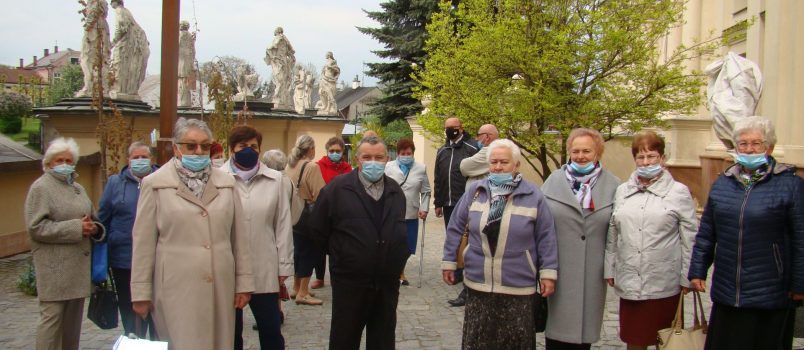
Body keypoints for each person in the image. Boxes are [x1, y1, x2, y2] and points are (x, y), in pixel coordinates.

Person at [130, 117, 254, 349]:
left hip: (220, 284)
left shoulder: (227, 183)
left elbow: (239, 238)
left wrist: (244, 283)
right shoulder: (155, 184)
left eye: (205, 146)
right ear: (176, 148)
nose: (198, 151)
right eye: (191, 145)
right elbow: (143, 242)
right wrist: (140, 292)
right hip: (175, 286)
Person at [689, 116, 804, 350]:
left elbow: (801, 238)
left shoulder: (790, 184)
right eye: (743, 143)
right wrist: (698, 269)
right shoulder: (723, 183)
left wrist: (800, 283)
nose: (749, 149)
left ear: (769, 147)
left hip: (771, 292)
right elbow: (707, 232)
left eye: (756, 143)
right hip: (728, 289)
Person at [441, 138, 558, 349]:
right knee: (478, 341)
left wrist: (548, 272)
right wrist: (449, 261)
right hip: (479, 283)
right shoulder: (475, 191)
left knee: (515, 342)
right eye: (493, 162)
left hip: (518, 285)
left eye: (503, 162)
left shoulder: (533, 196)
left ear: (516, 165)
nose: (497, 167)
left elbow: (546, 236)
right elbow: (455, 228)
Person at [311, 136, 410, 349]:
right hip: (350, 281)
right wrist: (344, 255)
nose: (373, 161)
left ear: (386, 159)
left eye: (379, 157)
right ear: (357, 159)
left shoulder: (395, 191)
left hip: (385, 283)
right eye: (367, 157)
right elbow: (317, 231)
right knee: (344, 338)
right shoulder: (337, 189)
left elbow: (401, 231)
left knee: (383, 339)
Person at [604, 130, 697, 350]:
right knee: (634, 340)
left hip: (664, 282)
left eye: (652, 156)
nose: (646, 162)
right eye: (641, 157)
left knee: (665, 339)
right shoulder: (622, 191)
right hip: (630, 280)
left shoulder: (678, 192)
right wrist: (610, 268)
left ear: (662, 158)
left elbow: (690, 237)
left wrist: (688, 276)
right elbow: (613, 232)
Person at [541, 128, 620, 350]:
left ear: (598, 153)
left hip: (592, 273)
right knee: (556, 335)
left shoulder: (614, 185)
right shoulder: (553, 181)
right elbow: (540, 225)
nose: (580, 156)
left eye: (587, 151)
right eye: (575, 151)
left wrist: (612, 267)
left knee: (583, 337)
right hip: (559, 270)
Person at [25, 137, 106, 350]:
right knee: (51, 323)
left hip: (77, 270)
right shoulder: (41, 188)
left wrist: (95, 229)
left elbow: (93, 218)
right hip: (54, 269)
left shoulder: (78, 188)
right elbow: (36, 228)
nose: (65, 165)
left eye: (69, 161)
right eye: (59, 160)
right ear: (49, 163)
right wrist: (76, 228)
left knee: (72, 326)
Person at [223, 126, 292, 350]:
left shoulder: (275, 180)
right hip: (228, 267)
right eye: (243, 146)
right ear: (232, 149)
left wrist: (283, 267)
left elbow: (282, 224)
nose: (249, 150)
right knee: (230, 334)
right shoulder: (219, 179)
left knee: (271, 330)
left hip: (264, 266)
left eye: (253, 146)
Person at [97, 141, 158, 338]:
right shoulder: (115, 184)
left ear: (151, 159)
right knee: (132, 315)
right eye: (136, 157)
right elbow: (103, 219)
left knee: (159, 316)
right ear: (128, 160)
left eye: (144, 157)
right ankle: (134, 340)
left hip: (158, 259)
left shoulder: (161, 181)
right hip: (124, 260)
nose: (141, 161)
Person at [434, 116, 479, 306]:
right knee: (452, 236)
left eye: (453, 127)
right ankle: (455, 270)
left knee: (467, 239)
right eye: (447, 128)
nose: (450, 130)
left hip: (466, 201)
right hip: (448, 202)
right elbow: (438, 176)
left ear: (461, 128)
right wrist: (438, 201)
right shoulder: (442, 150)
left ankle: (467, 271)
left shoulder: (472, 148)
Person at [285, 135, 326, 305]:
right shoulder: (311, 167)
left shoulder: (290, 165)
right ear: (310, 149)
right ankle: (303, 292)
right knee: (310, 252)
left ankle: (295, 288)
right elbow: (320, 193)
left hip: (293, 215)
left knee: (298, 252)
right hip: (308, 215)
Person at [384, 138, 431, 285]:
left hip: (411, 213)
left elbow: (426, 191)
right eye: (403, 153)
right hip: (391, 213)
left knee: (408, 246)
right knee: (392, 244)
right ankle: (398, 273)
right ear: (397, 154)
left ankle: (400, 269)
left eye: (409, 153)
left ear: (413, 153)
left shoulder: (421, 168)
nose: (406, 156)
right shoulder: (388, 167)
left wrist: (424, 208)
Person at [312, 136, 353, 289]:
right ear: (327, 151)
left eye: (338, 151)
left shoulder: (347, 168)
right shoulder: (318, 166)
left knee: (339, 245)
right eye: (332, 151)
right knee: (320, 246)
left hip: (341, 211)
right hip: (322, 209)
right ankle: (319, 277)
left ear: (343, 152)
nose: (335, 153)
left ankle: (339, 275)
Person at [109, 0, 149, 100]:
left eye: (111, 2)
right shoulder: (127, 11)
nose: (110, 5)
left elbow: (121, 29)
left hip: (126, 44)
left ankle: (120, 89)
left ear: (115, 2)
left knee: (119, 64)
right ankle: (128, 90)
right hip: (133, 45)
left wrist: (112, 43)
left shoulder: (119, 11)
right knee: (129, 66)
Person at [460, 124, 499, 189]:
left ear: (487, 137)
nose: (476, 138)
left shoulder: (491, 151)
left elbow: (464, 167)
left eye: (478, 135)